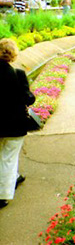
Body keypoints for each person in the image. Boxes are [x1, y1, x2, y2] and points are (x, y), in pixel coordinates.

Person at [0, 39, 35, 209]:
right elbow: (28, 98)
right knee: (9, 159)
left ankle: (14, 178)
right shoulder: (18, 74)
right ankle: (3, 195)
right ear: (13, 54)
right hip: (15, 124)